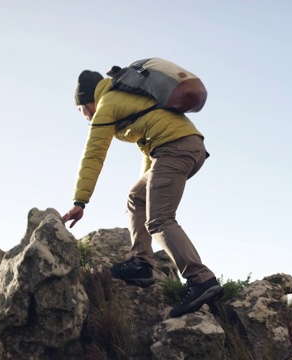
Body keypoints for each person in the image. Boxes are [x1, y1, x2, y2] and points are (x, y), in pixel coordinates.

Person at [62, 69, 223, 318]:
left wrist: (80, 201)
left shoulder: (106, 105)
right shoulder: (126, 97)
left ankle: (200, 279)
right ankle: (141, 264)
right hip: (186, 147)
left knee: (160, 220)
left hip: (175, 149)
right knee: (137, 197)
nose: (82, 115)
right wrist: (146, 185)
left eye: (80, 108)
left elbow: (93, 154)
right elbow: (149, 150)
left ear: (87, 100)